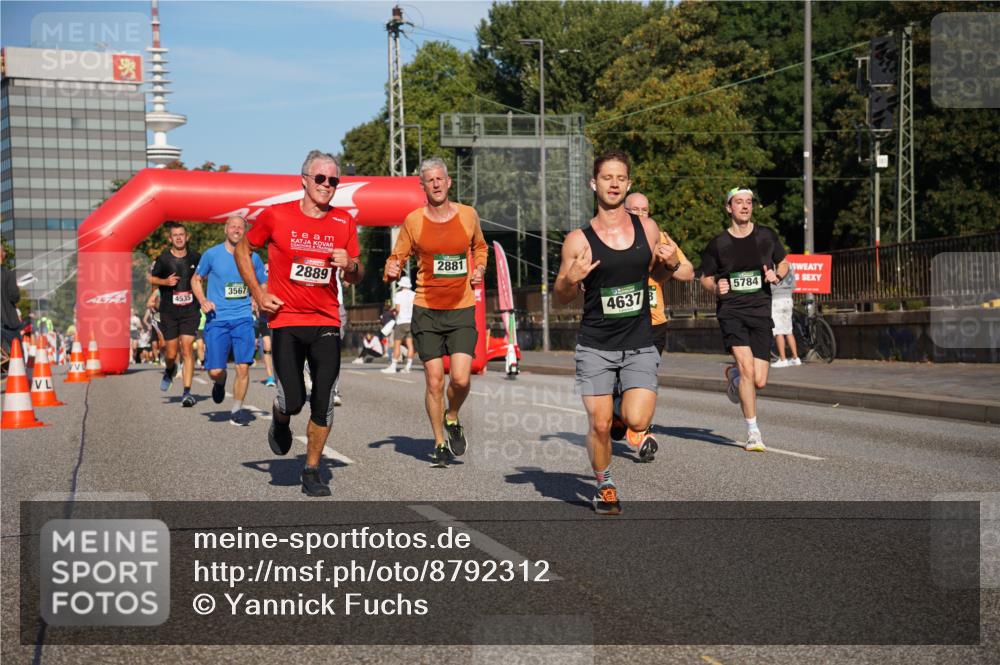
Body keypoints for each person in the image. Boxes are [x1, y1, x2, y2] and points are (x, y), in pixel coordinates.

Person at [554, 151, 677, 515]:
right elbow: (561, 296)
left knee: (637, 420)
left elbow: (659, 277)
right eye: (606, 177)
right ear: (594, 184)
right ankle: (605, 483)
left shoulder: (648, 229)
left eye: (620, 178)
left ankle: (622, 406)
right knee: (600, 423)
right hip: (596, 345)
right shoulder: (578, 240)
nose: (613, 184)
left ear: (629, 184)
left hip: (639, 340)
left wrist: (669, 264)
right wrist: (569, 279)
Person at [236, 149, 363, 497]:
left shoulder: (344, 222)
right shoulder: (276, 216)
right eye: (320, 178)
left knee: (323, 400)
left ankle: (311, 470)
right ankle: (280, 416)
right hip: (286, 320)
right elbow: (243, 249)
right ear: (304, 180)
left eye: (333, 180)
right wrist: (259, 293)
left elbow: (356, 275)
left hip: (325, 320)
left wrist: (350, 265)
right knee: (293, 400)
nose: (327, 185)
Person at [384, 157, 488, 469]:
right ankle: (440, 442)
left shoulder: (468, 215)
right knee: (433, 381)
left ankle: (452, 415)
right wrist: (390, 268)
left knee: (460, 378)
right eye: (430, 180)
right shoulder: (413, 221)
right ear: (423, 186)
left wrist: (480, 267)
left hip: (461, 308)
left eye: (441, 178)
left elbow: (480, 247)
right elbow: (397, 256)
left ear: (449, 181)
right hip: (426, 309)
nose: (437, 184)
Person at [699, 187, 790, 452]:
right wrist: (715, 288)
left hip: (761, 311)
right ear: (729, 208)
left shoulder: (766, 236)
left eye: (749, 202)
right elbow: (704, 277)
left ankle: (734, 377)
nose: (745, 206)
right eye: (739, 202)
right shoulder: (718, 244)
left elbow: (784, 262)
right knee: (748, 369)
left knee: (759, 380)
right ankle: (753, 432)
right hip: (732, 312)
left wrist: (777, 275)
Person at [621, 192, 694, 455]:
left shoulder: (659, 237)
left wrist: (672, 263)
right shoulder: (613, 236)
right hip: (622, 322)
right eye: (635, 210)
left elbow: (688, 272)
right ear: (623, 211)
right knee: (620, 379)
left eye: (645, 210)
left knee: (645, 377)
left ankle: (641, 432)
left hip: (654, 322)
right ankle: (622, 415)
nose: (641, 214)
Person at [192, 215, 268, 426]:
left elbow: (263, 283)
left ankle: (236, 410)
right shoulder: (212, 254)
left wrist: (259, 299)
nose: (236, 230)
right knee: (215, 370)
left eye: (240, 227)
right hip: (217, 319)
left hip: (243, 318)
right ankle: (220, 381)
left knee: (243, 367)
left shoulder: (253, 257)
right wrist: (203, 300)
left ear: (245, 231)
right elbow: (196, 279)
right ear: (226, 229)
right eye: (233, 226)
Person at [148, 222, 202, 406]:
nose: (179, 237)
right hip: (169, 312)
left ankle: (187, 392)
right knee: (170, 353)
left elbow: (204, 276)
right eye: (175, 235)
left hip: (190, 311)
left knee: (187, 347)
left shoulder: (196, 257)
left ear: (187, 237)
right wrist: (165, 281)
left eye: (182, 234)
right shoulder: (163, 259)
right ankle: (170, 370)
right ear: (170, 239)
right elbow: (151, 278)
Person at [382, 275, 416, 373]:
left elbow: (398, 309)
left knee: (397, 344)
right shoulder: (414, 294)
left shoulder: (398, 294)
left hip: (401, 322)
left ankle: (393, 366)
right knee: (410, 344)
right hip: (411, 322)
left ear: (401, 285)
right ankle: (408, 367)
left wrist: (394, 312)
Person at [771, 263, 800, 367]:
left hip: (776, 299)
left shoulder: (773, 265)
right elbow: (794, 284)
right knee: (788, 330)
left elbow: (771, 284)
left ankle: (783, 359)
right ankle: (795, 358)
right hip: (788, 298)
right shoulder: (790, 265)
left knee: (778, 331)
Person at [255, 264, 276, 387]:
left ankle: (280, 374)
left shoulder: (279, 276)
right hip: (264, 318)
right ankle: (270, 377)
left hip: (278, 317)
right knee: (267, 346)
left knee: (279, 347)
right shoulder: (262, 272)